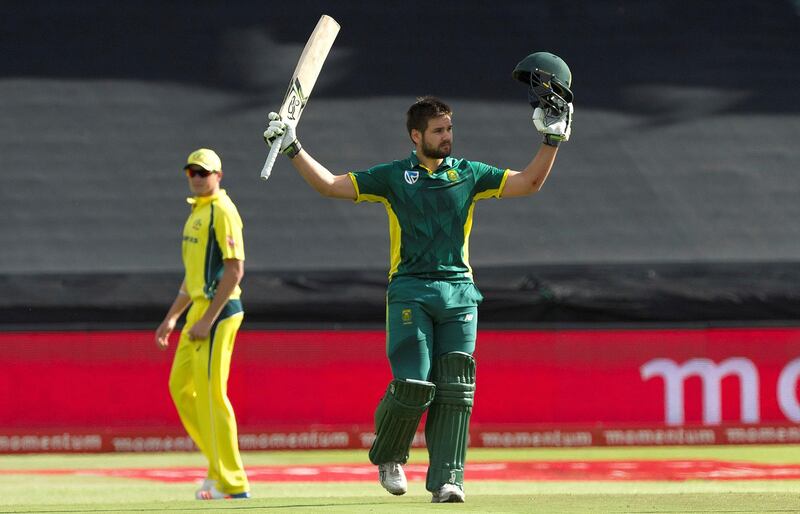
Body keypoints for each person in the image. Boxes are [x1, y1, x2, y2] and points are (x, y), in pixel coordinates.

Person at [263, 56, 572, 504]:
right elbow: (330, 184)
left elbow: (530, 183)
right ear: (416, 136)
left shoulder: (468, 173)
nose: (448, 137)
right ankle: (390, 455)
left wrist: (552, 139)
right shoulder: (393, 177)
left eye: (450, 129)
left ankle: (449, 479)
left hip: (460, 291)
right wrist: (292, 147)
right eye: (439, 131)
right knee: (413, 384)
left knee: (456, 388)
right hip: (410, 288)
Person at [155, 148, 250, 500]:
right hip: (197, 310)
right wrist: (172, 317)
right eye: (193, 171)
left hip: (218, 313)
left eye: (204, 172)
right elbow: (192, 277)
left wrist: (208, 319)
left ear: (218, 175)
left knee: (212, 395)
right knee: (181, 388)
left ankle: (233, 481)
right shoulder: (196, 213)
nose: (197, 177)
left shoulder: (222, 211)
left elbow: (235, 269)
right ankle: (217, 467)